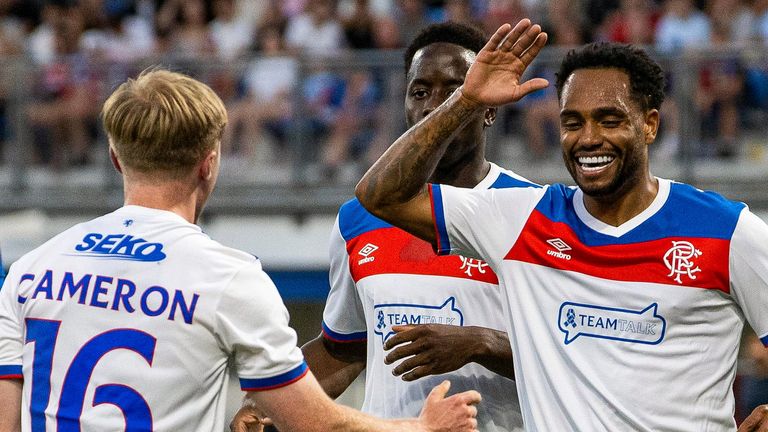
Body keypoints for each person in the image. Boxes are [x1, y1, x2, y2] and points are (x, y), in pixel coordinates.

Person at [0, 69, 482, 432]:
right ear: (209, 164)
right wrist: (422, 427)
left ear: (114, 157)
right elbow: (316, 423)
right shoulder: (228, 278)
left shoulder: (30, 269)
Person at [355, 19, 768, 431]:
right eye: (573, 123)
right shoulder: (522, 220)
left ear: (650, 124)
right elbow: (380, 195)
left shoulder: (728, 232)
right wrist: (464, 102)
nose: (588, 138)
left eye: (609, 120)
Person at [305, 22, 526, 431]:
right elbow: (344, 349)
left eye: (456, 92)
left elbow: (573, 352)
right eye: (420, 92)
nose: (435, 106)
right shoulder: (357, 218)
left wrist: (481, 343)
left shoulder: (532, 210)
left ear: (490, 106)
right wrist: (268, 402)